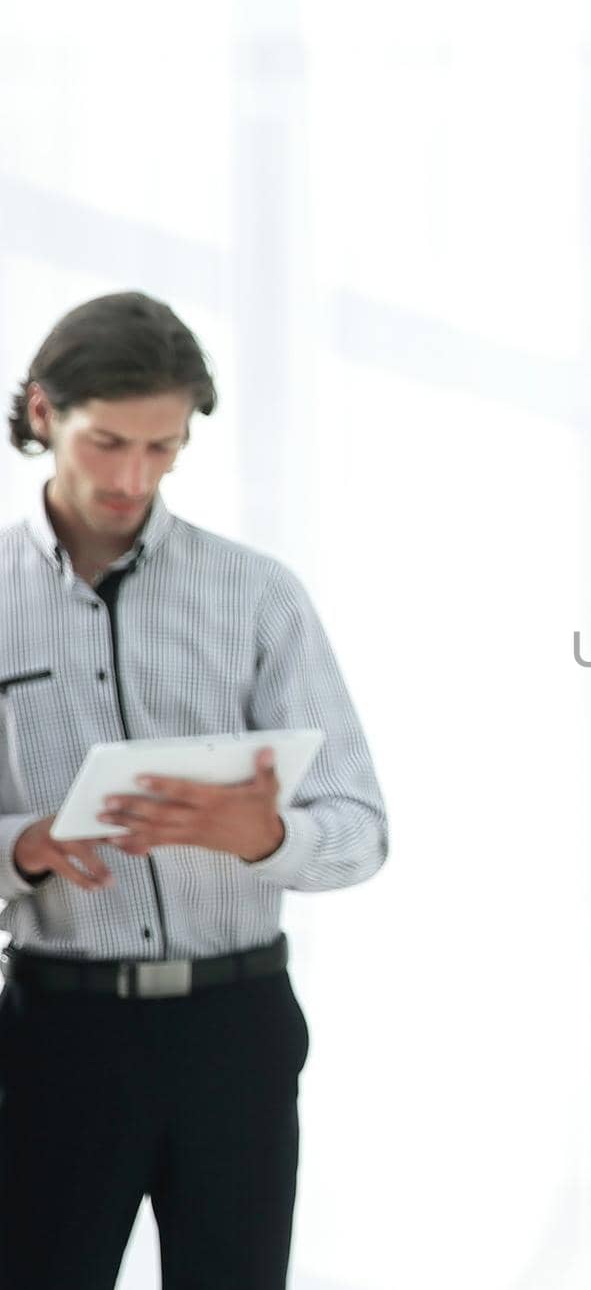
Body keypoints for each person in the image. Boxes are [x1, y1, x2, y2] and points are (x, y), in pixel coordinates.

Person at [0, 292, 387, 1289]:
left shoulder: (257, 594)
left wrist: (264, 835)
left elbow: (360, 829)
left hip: (237, 1027)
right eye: (109, 441)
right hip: (55, 1033)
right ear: (43, 413)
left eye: (163, 448)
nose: (133, 477)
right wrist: (22, 847)